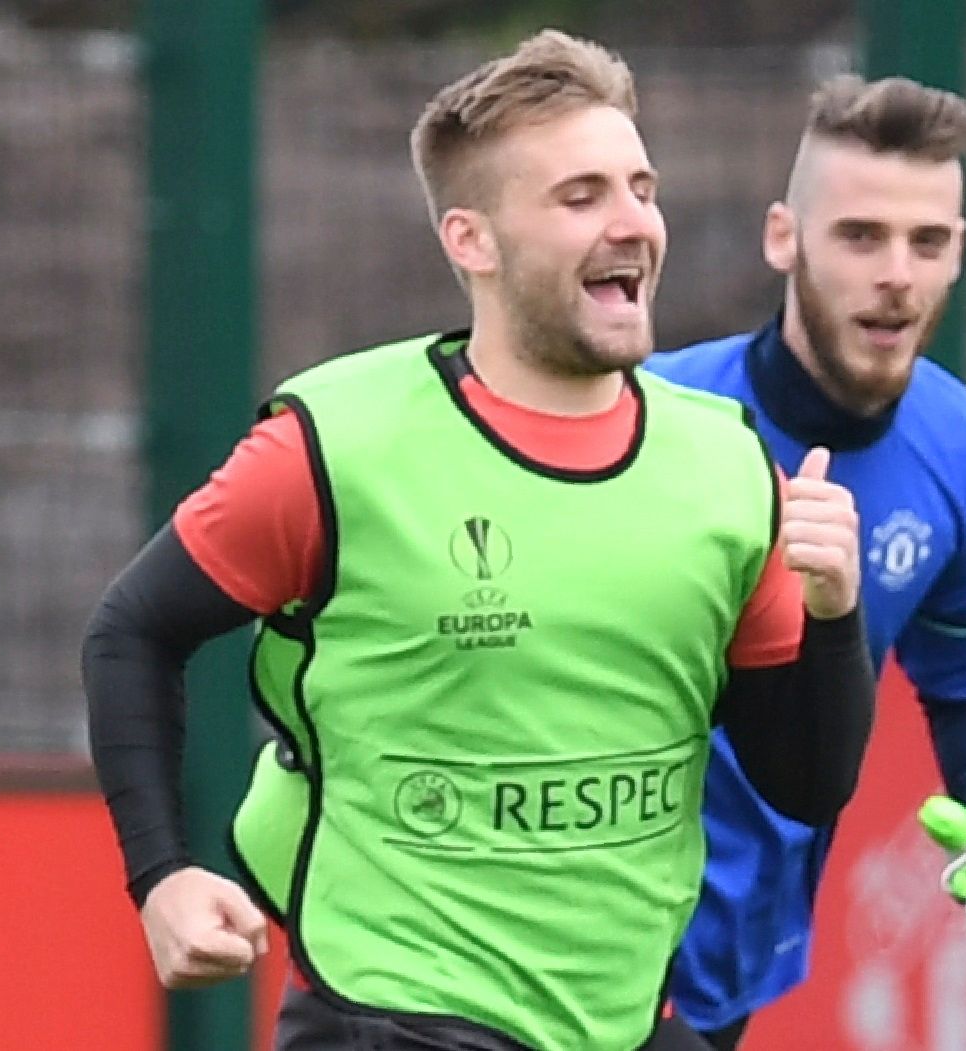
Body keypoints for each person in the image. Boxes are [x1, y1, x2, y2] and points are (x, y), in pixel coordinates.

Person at [81, 31, 877, 1051]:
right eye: (581, 196)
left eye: (641, 186)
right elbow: (132, 630)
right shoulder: (337, 447)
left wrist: (833, 614)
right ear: (472, 240)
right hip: (396, 1012)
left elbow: (805, 782)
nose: (632, 222)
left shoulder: (724, 465)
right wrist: (163, 875)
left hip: (619, 1021)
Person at [645, 76, 966, 1050]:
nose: (898, 276)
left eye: (928, 242)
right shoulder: (651, 425)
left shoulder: (962, 455)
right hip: (575, 951)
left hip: (730, 961)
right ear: (783, 238)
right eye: (861, 236)